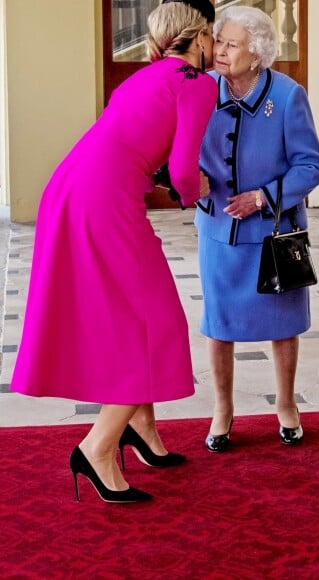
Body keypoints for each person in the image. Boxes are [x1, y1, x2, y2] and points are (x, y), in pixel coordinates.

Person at [10, 0, 218, 503]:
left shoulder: (145, 78)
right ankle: (98, 446)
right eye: (215, 36)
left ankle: (141, 429)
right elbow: (186, 170)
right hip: (104, 199)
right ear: (201, 35)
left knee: (133, 314)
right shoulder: (196, 83)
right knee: (157, 319)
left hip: (72, 188)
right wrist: (202, 195)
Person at [195, 6, 319, 452]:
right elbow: (180, 146)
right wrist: (187, 178)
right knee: (219, 323)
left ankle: (286, 405)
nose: (221, 51)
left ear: (257, 55)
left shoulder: (288, 97)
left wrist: (263, 196)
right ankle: (223, 409)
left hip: (273, 234)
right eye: (220, 42)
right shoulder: (200, 90)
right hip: (218, 230)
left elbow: (312, 165)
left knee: (283, 324)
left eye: (232, 45)